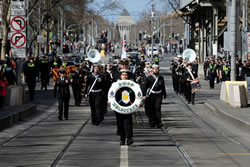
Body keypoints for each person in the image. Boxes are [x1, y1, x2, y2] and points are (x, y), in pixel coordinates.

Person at [114, 69, 134, 145]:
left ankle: (129, 138)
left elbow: (135, 94)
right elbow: (112, 93)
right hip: (118, 106)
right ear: (120, 76)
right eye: (123, 75)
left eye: (126, 75)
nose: (124, 76)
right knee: (120, 124)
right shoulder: (116, 84)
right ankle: (122, 139)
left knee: (128, 122)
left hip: (128, 106)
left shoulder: (132, 84)